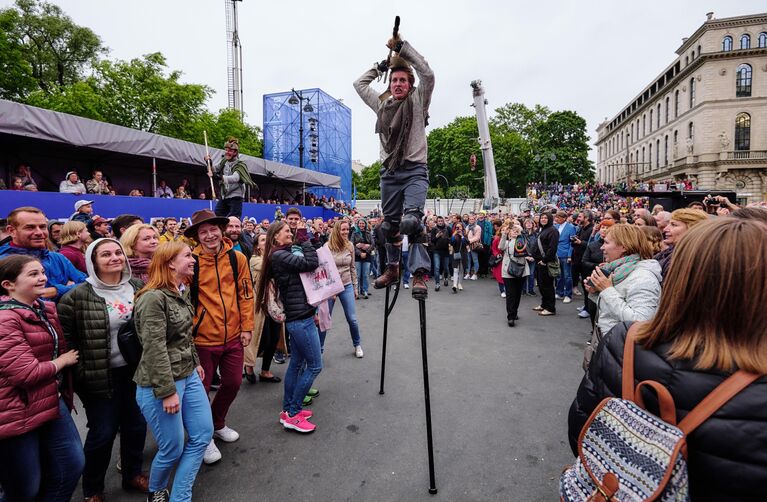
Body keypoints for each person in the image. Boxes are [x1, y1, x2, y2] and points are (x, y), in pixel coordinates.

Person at [568, 218, 767, 500]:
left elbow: (581, 428)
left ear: (684, 274)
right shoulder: (624, 340)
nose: (603, 245)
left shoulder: (627, 339)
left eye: (608, 240)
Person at [58, 239, 148, 500]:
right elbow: (67, 339)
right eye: (105, 254)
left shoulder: (138, 287)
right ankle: (93, 488)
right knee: (103, 432)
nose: (114, 257)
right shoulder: (76, 296)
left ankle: (132, 474)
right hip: (98, 375)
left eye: (118, 252)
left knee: (136, 425)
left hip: (135, 372)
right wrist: (82, 372)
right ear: (92, 261)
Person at [354, 32, 434, 298]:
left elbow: (429, 75)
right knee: (387, 227)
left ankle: (420, 273)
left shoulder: (418, 100)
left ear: (410, 85)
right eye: (395, 80)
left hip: (413, 170)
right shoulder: (382, 104)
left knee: (411, 222)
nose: (398, 83)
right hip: (389, 172)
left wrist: (401, 48)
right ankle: (393, 268)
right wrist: (381, 67)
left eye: (403, 80)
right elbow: (359, 84)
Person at [0, 255, 84, 501]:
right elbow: (26, 374)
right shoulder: (5, 319)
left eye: (42, 272)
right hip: (14, 412)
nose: (43, 278)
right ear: (8, 284)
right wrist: (63, 361)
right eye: (33, 274)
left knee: (71, 465)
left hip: (48, 399)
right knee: (24, 489)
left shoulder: (44, 308)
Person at [133, 242, 213, 502]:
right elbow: (154, 348)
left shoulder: (182, 290)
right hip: (159, 384)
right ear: (169, 262)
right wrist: (167, 392)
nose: (194, 260)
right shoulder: (152, 298)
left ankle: (180, 496)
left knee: (202, 435)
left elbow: (184, 336)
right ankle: (156, 490)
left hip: (188, 375)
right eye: (188, 256)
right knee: (172, 447)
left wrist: (196, 361)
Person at [183, 210, 254, 464]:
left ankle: (216, 423)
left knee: (234, 383)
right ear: (197, 236)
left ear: (221, 230)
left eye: (213, 229)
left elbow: (246, 294)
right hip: (202, 339)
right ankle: (203, 438)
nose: (210, 235)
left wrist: (247, 327)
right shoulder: (191, 261)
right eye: (203, 231)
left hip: (234, 335)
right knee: (199, 393)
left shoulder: (237, 258)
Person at [255, 220, 320, 433]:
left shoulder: (280, 254)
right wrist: (305, 239)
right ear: (275, 237)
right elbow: (311, 262)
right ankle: (293, 413)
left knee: (296, 365)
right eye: (287, 231)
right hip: (300, 318)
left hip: (300, 316)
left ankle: (287, 410)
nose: (291, 233)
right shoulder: (279, 255)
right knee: (314, 366)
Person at [583, 224, 662, 369]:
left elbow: (641, 322)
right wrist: (596, 291)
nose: (602, 248)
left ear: (624, 247)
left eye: (606, 243)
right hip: (609, 345)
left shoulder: (643, 277)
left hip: (621, 354)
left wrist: (607, 290)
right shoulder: (619, 271)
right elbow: (610, 310)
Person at [0, 207, 87, 301]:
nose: (39, 232)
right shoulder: (3, 263)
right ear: (11, 231)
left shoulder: (58, 258)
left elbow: (87, 284)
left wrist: (56, 290)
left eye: (42, 227)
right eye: (30, 227)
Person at [244, 233, 284, 384]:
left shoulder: (274, 256)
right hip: (260, 305)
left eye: (268, 239)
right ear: (257, 246)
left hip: (275, 304)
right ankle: (248, 365)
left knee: (274, 338)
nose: (266, 242)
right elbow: (271, 268)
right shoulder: (255, 260)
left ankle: (265, 371)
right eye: (262, 240)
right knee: (261, 338)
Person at [319, 219, 363, 358]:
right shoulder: (327, 246)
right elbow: (323, 270)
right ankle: (319, 350)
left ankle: (357, 345)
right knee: (324, 319)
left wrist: (355, 287)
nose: (346, 232)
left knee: (352, 319)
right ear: (337, 230)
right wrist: (328, 290)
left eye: (347, 229)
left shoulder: (350, 245)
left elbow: (352, 268)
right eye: (343, 229)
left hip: (346, 284)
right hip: (331, 287)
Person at [207, 138, 257, 219]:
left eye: (230, 151)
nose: (227, 152)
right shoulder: (224, 161)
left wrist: (219, 177)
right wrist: (209, 162)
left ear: (235, 152)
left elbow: (235, 178)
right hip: (225, 195)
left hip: (236, 196)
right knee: (217, 217)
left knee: (234, 219)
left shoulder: (240, 165)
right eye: (226, 150)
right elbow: (214, 169)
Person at [654, 208, 709, 279]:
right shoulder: (671, 253)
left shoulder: (687, 261)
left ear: (692, 229)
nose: (665, 229)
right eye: (668, 224)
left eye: (673, 225)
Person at [499, 220, 532, 327]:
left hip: (521, 271)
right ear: (509, 232)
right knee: (510, 294)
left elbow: (529, 250)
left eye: (517, 231)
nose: (515, 232)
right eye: (513, 231)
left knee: (517, 294)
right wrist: (504, 234)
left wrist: (521, 236)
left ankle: (514, 312)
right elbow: (500, 247)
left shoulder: (523, 242)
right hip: (508, 271)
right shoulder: (507, 243)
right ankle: (511, 316)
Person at [530, 212, 559, 316]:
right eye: (542, 218)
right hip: (539, 261)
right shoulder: (542, 229)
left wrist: (544, 261)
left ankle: (550, 308)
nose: (543, 219)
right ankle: (544, 304)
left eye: (545, 218)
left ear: (550, 219)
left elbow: (552, 248)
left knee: (547, 286)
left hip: (545, 262)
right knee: (541, 285)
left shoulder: (553, 231)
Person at [553, 210, 577, 304]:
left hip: (566, 254)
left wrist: (570, 255)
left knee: (567, 276)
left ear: (564, 218)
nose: (556, 219)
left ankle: (568, 295)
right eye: (556, 217)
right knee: (559, 275)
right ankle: (559, 292)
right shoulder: (556, 226)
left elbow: (572, 243)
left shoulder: (571, 227)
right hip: (557, 254)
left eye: (558, 217)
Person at [570, 210, 594, 299]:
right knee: (576, 276)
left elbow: (592, 244)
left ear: (586, 218)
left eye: (580, 217)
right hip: (577, 257)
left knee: (586, 283)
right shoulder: (580, 228)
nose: (578, 219)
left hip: (585, 260)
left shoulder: (592, 229)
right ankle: (585, 306)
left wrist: (580, 242)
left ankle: (588, 308)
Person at [351, 218, 373, 299]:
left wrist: (365, 250)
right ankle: (357, 291)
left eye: (363, 223)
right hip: (357, 257)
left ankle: (365, 290)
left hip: (367, 256)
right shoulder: (354, 233)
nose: (361, 225)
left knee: (365, 274)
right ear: (357, 224)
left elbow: (373, 244)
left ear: (365, 224)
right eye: (360, 223)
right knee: (358, 275)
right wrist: (360, 253)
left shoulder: (368, 233)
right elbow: (352, 244)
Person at [430, 215, 451, 291]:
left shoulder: (448, 228)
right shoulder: (434, 229)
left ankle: (445, 278)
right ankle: (437, 283)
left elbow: (452, 238)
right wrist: (436, 236)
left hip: (446, 251)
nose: (440, 222)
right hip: (437, 251)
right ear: (437, 222)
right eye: (439, 221)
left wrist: (449, 242)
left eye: (441, 221)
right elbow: (432, 240)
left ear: (443, 221)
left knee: (446, 267)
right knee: (437, 267)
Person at [520, 218, 538, 295]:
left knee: (531, 274)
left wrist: (534, 257)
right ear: (524, 224)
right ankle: (523, 290)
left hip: (533, 257)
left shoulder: (536, 234)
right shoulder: (521, 234)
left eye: (530, 223)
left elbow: (537, 247)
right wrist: (525, 256)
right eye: (527, 223)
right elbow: (519, 246)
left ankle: (531, 290)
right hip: (524, 256)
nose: (529, 224)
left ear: (533, 224)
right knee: (523, 274)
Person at [450, 222, 468, 293]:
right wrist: (453, 235)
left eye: (459, 227)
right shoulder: (454, 235)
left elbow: (467, 243)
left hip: (463, 254)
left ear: (462, 227)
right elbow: (451, 243)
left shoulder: (465, 234)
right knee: (455, 270)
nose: (458, 229)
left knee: (461, 270)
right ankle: (454, 285)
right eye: (457, 227)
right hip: (456, 254)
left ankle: (460, 283)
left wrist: (462, 236)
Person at [489, 220, 505, 297]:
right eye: (503, 230)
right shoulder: (497, 238)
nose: (504, 231)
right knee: (500, 275)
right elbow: (493, 248)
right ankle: (502, 290)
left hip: (508, 259)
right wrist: (497, 254)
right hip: (500, 259)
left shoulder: (511, 238)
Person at [465, 215, 481, 280]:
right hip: (467, 245)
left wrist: (469, 241)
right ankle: (468, 273)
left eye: (472, 219)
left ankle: (475, 274)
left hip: (474, 245)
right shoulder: (467, 227)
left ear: (475, 220)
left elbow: (477, 237)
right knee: (468, 260)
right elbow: (465, 235)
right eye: (470, 219)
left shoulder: (478, 227)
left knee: (475, 260)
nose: (471, 220)